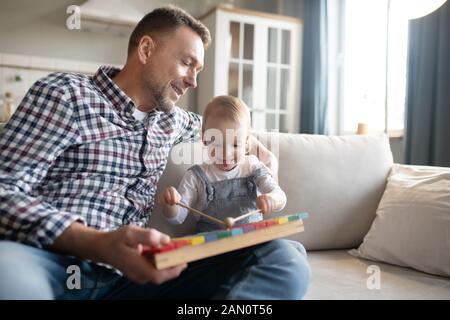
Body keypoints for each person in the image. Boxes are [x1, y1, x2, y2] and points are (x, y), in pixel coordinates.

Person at [0, 5, 309, 299]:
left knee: (285, 258)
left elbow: (229, 130)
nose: (193, 80)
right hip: (52, 265)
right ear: (146, 50)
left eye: (198, 69)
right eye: (187, 63)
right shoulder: (65, 94)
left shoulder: (174, 120)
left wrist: (264, 156)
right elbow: (5, 189)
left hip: (133, 282)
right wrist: (96, 243)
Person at [159, 95, 288, 232]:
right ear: (204, 138)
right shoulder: (196, 176)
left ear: (246, 141)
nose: (226, 154)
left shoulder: (252, 167)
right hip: (214, 247)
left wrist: (272, 200)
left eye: (235, 144)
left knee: (288, 249)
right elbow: (178, 217)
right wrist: (171, 206)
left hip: (253, 243)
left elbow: (280, 196)